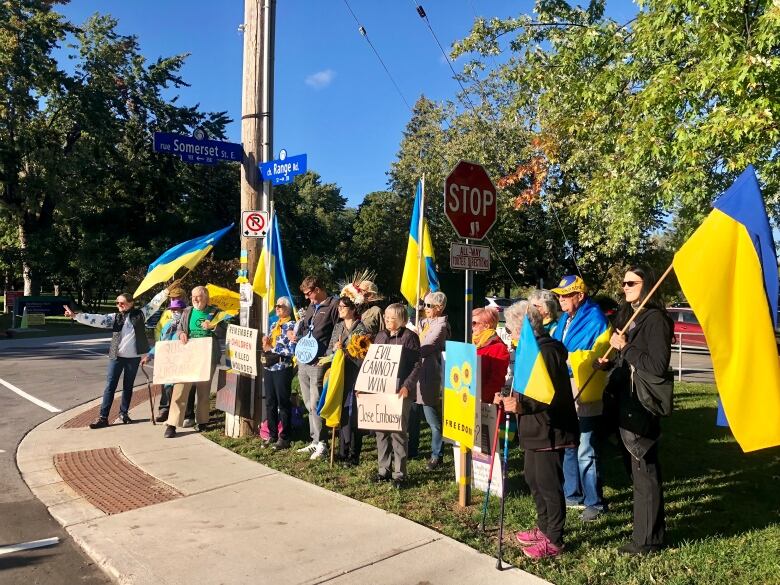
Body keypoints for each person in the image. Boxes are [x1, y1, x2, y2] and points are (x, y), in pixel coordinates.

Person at [597, 266, 673, 555]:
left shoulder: (657, 320)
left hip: (641, 404)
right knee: (635, 469)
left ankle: (648, 540)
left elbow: (655, 366)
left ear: (648, 285)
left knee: (645, 469)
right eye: (624, 283)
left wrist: (625, 348)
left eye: (632, 282)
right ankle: (650, 530)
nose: (625, 287)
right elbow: (624, 360)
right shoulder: (628, 316)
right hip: (623, 400)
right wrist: (610, 361)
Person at [495, 301, 578, 559]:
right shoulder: (528, 351)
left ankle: (555, 538)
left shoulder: (547, 351)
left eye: (511, 329)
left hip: (550, 430)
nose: (510, 334)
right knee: (533, 480)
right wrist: (507, 396)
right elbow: (523, 386)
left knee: (549, 485)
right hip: (533, 429)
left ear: (524, 329)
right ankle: (543, 528)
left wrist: (520, 405)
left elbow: (547, 395)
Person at [551, 274, 611, 521]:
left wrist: (562, 359)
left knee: (586, 446)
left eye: (566, 295)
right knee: (569, 443)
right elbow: (558, 346)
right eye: (559, 295)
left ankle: (594, 502)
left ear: (580, 296)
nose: (561, 300)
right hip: (565, 386)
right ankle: (571, 494)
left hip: (585, 388)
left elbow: (584, 355)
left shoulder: (594, 319)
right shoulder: (565, 317)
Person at [64, 288, 169, 429]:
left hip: (133, 358)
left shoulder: (141, 315)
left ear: (131, 303)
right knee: (110, 387)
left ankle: (123, 413)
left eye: (122, 303)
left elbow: (154, 303)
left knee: (128, 387)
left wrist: (166, 291)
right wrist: (76, 316)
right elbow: (97, 319)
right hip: (116, 357)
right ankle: (103, 417)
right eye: (117, 303)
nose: (119, 305)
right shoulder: (115, 317)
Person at [163, 286, 227, 438]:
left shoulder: (216, 312)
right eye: (193, 297)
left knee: (203, 390)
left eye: (198, 296)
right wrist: (181, 334)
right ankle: (172, 424)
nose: (195, 299)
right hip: (188, 356)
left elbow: (224, 331)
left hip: (207, 356)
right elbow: (179, 329)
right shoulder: (187, 311)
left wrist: (214, 327)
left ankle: (202, 421)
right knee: (180, 389)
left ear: (206, 297)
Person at [372, 303, 421, 488]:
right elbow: (373, 364)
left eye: (392, 317)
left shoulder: (410, 337)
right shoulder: (380, 336)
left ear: (401, 319)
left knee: (398, 432)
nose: (387, 320)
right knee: (381, 432)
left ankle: (400, 474)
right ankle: (383, 470)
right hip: (380, 390)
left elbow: (417, 365)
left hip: (400, 391)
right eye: (386, 316)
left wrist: (407, 386)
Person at [294, 276, 340, 460]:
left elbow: (338, 331)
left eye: (308, 293)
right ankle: (314, 441)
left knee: (316, 402)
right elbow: (305, 328)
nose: (307, 298)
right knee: (307, 402)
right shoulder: (312, 307)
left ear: (318, 289)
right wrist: (297, 338)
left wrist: (328, 355)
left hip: (319, 361)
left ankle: (322, 443)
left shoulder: (334, 305)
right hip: (304, 359)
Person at [408, 291, 449, 470]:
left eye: (429, 306)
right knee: (412, 416)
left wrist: (412, 341)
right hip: (414, 375)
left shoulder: (441, 326)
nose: (425, 309)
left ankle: (436, 454)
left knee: (432, 419)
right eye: (424, 305)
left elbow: (425, 347)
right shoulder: (423, 321)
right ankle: (412, 449)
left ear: (439, 308)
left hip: (428, 375)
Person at [326, 296, 368, 466]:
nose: (340, 310)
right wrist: (334, 349)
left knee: (355, 413)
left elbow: (365, 352)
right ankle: (342, 450)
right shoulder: (338, 327)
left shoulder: (361, 328)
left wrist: (350, 352)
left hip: (356, 373)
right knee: (342, 410)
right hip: (340, 373)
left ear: (352, 309)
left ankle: (354, 453)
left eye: (343, 307)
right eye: (339, 307)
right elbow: (329, 348)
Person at [141, 298, 195, 423]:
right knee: (169, 389)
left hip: (184, 363)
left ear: (183, 311)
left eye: (177, 310)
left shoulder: (188, 326)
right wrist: (149, 355)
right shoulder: (167, 326)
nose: (174, 312)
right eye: (172, 310)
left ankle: (188, 415)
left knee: (187, 390)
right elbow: (161, 344)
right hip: (169, 364)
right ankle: (172, 414)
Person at [260, 296, 297, 450]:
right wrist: (266, 343)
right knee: (270, 401)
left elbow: (293, 349)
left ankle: (285, 437)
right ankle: (272, 434)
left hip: (282, 366)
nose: (277, 308)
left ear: (287, 309)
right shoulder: (274, 324)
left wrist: (272, 350)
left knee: (283, 402)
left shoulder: (292, 325)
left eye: (280, 306)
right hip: (270, 367)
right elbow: (269, 345)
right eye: (276, 306)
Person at [472, 307, 510, 403]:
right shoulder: (474, 343)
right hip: (470, 397)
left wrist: (482, 398)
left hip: (485, 403)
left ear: (486, 326)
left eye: (474, 323)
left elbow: (496, 380)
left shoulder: (499, 347)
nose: (472, 327)